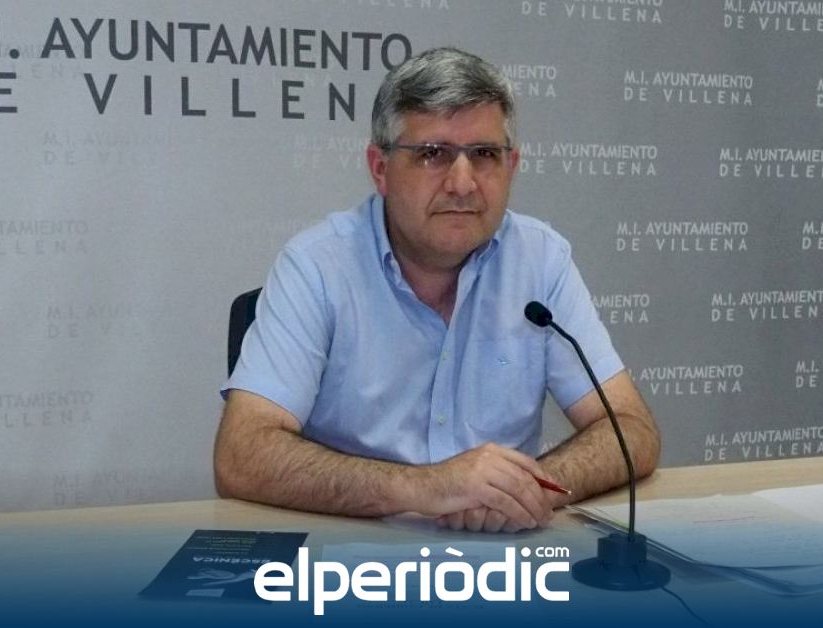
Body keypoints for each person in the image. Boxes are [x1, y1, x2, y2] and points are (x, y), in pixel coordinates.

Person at [215, 47, 659, 533]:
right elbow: (242, 455)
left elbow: (631, 430)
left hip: (499, 550)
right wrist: (427, 488)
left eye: (484, 155)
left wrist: (529, 487)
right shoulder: (317, 266)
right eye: (432, 154)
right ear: (380, 168)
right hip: (354, 552)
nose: (462, 183)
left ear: (511, 166)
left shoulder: (540, 260)